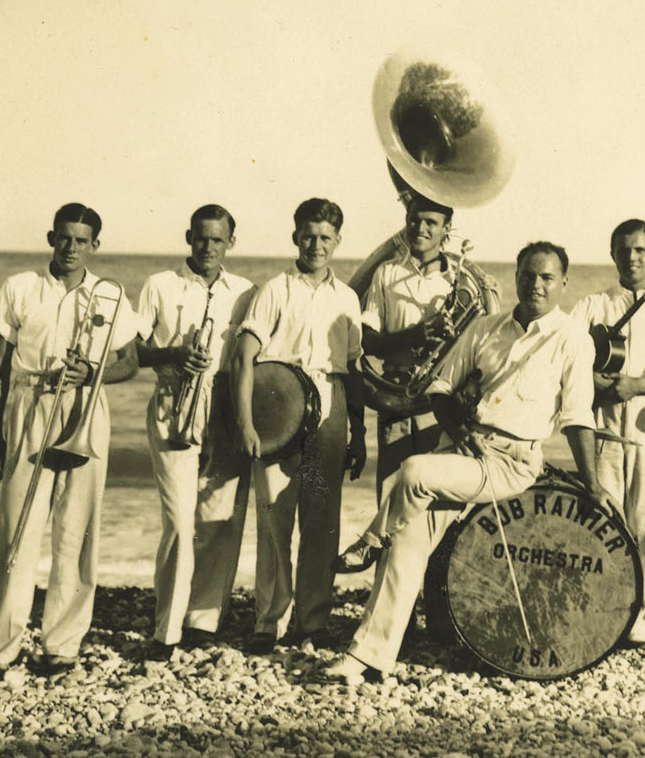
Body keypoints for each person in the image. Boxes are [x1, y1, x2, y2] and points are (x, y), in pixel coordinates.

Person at [325, 241, 600, 685]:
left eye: (547, 277)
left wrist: (594, 484)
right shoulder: (487, 329)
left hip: (511, 463)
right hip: (464, 452)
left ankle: (371, 538)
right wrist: (460, 429)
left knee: (411, 471)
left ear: (563, 283)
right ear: (516, 276)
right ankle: (366, 658)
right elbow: (440, 388)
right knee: (407, 544)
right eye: (528, 275)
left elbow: (577, 418)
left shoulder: (573, 339)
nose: (536, 285)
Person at [0, 203, 138, 677]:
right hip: (30, 404)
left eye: (82, 240)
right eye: (65, 238)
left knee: (77, 531)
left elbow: (130, 362)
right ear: (52, 238)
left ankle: (61, 644)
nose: (72, 248)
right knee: (17, 528)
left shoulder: (109, 295)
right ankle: (2, 647)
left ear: (95, 245)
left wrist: (93, 371)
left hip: (86, 408)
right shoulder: (21, 287)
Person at [233, 198, 366, 654]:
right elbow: (244, 358)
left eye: (325, 237)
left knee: (320, 521)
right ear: (295, 236)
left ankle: (313, 621)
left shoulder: (346, 298)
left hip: (328, 413)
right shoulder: (274, 290)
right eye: (308, 235)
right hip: (278, 411)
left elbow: (352, 371)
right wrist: (247, 423)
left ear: (338, 242)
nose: (316, 245)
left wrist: (359, 434)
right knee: (275, 520)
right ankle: (268, 622)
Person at [135, 204, 257, 660]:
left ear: (230, 243)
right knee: (180, 523)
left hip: (222, 406)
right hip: (172, 402)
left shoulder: (245, 291)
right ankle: (165, 630)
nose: (208, 247)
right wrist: (172, 353)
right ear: (189, 237)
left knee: (220, 522)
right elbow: (134, 350)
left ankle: (203, 621)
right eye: (201, 238)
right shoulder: (159, 286)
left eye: (218, 240)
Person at [572, 219, 645, 647]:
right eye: (623, 250)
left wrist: (637, 385)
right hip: (603, 417)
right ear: (612, 254)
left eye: (641, 250)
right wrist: (597, 386)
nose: (632, 258)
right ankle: (603, 613)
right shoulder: (591, 305)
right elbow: (567, 357)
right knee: (602, 515)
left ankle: (642, 620)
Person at [360, 191, 465, 499]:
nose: (421, 228)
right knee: (391, 495)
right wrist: (415, 336)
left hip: (443, 401)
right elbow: (367, 341)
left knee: (437, 497)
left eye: (431, 222)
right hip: (397, 395)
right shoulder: (386, 273)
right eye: (414, 220)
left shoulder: (462, 280)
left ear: (447, 228)